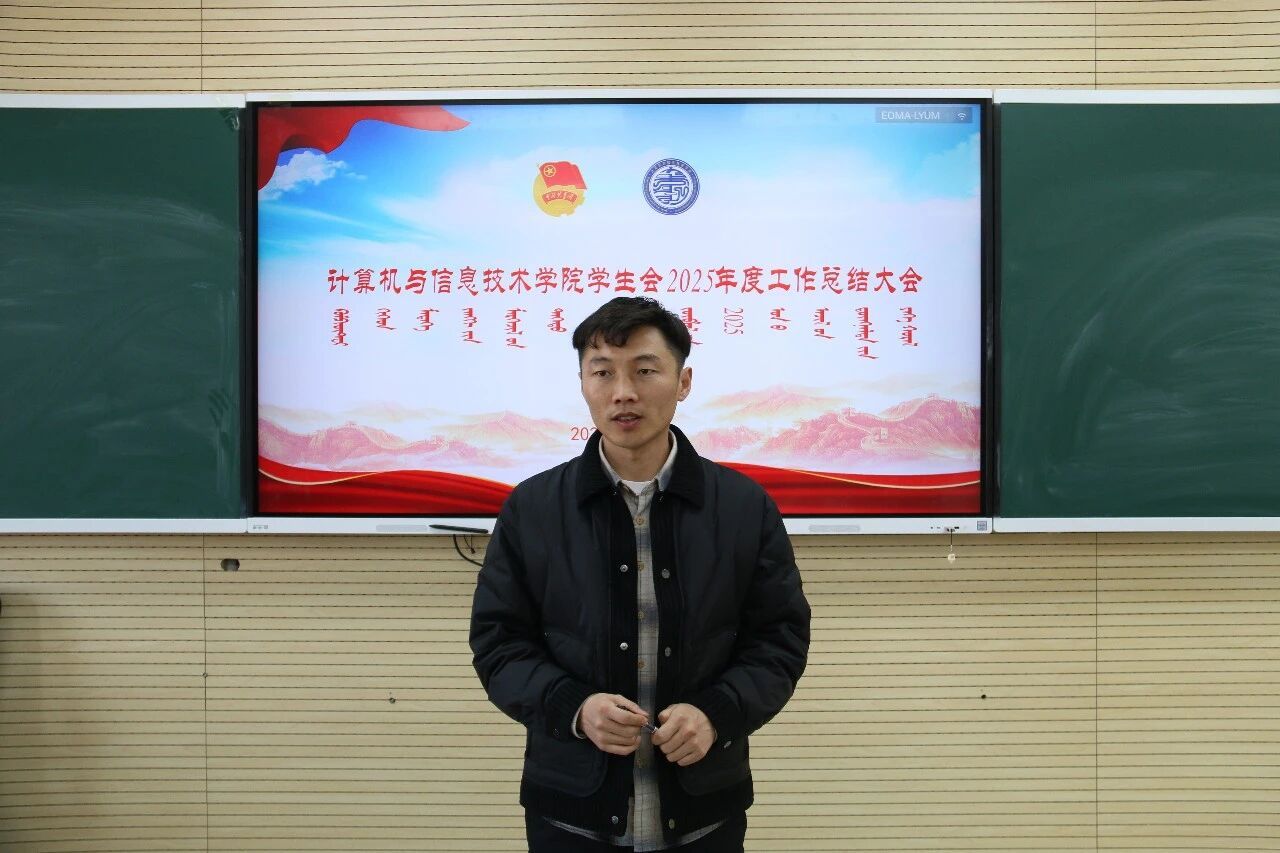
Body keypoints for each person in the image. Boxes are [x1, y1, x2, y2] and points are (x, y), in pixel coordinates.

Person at [470, 296, 810, 852]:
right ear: (583, 383)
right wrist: (574, 708)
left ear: (683, 382)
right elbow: (498, 643)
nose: (623, 392)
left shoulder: (744, 507)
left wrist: (717, 713)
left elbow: (780, 640)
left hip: (704, 813)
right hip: (572, 813)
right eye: (602, 372)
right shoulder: (533, 509)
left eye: (645, 371)